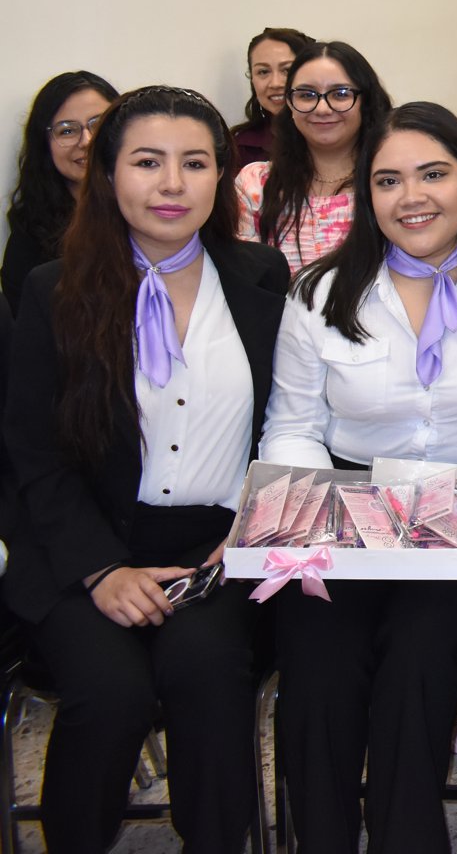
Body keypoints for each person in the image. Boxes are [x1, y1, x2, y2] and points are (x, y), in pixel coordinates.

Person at [4, 85, 290, 853]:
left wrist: (252, 532)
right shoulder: (53, 290)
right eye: (148, 162)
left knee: (206, 670)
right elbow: (27, 454)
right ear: (107, 174)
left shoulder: (263, 281)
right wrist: (100, 569)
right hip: (83, 547)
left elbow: (290, 430)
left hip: (218, 549)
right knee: (110, 690)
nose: (172, 184)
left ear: (220, 177)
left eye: (195, 163)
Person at [260, 101, 457, 854]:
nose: (412, 197)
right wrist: (309, 521)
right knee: (316, 650)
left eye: (433, 174)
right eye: (388, 180)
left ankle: (407, 837)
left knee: (421, 644)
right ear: (365, 197)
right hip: (349, 510)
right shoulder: (318, 294)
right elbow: (292, 423)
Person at [236, 40, 394, 273]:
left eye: (340, 94)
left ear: (366, 101)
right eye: (307, 95)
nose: (322, 109)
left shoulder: (392, 180)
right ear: (289, 103)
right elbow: (246, 280)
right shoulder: (256, 183)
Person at [2, 69, 118, 310]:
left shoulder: (153, 211)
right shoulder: (30, 237)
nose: (86, 140)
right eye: (67, 130)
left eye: (98, 124)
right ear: (45, 145)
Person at [230, 26, 313, 167]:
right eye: (263, 72)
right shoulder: (241, 147)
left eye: (287, 70)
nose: (275, 83)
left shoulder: (334, 135)